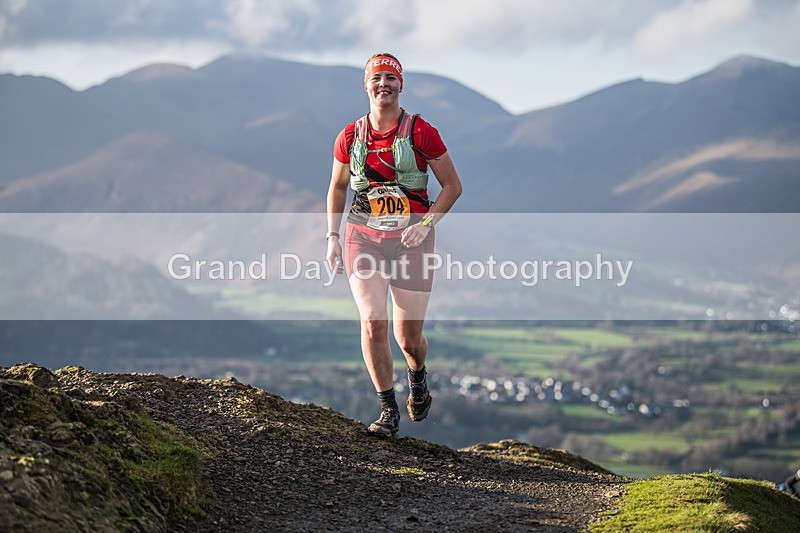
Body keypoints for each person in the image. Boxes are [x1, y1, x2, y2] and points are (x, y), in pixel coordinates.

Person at [326, 53, 462, 437]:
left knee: (408, 339)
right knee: (372, 321)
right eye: (376, 78)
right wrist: (332, 237)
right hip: (363, 236)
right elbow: (337, 187)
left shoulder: (421, 132)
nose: (383, 84)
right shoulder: (350, 136)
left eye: (390, 77)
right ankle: (388, 409)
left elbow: (452, 186)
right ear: (365, 85)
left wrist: (426, 224)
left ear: (401, 85)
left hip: (411, 240)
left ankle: (417, 376)